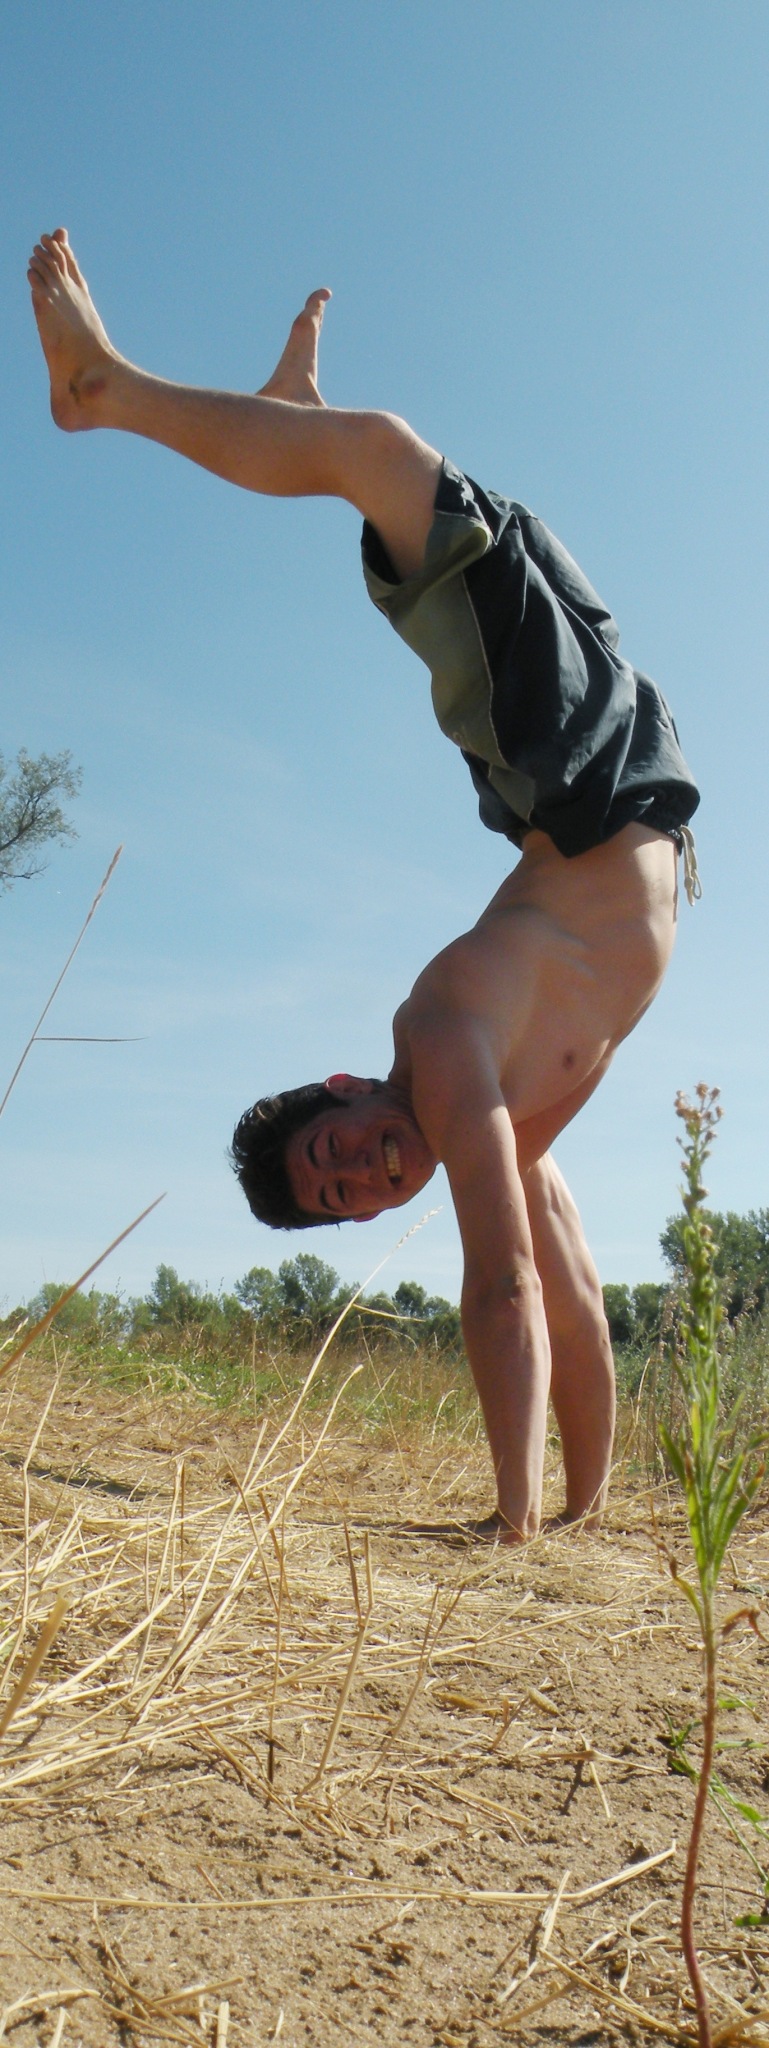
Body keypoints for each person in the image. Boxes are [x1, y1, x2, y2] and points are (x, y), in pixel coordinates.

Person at [28, 228, 700, 1543]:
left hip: (575, 776)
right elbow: (565, 1286)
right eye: (349, 1196)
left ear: (344, 1089)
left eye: (330, 1152)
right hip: (625, 768)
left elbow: (498, 1286)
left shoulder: (441, 1048)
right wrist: (575, 1522)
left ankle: (105, 392)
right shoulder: (501, 1126)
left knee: (391, 464)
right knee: (430, 493)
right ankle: (294, 421)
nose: (361, 1174)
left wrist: (505, 1528)